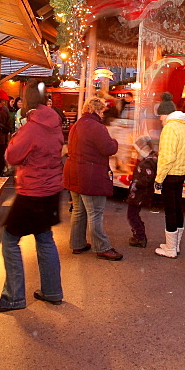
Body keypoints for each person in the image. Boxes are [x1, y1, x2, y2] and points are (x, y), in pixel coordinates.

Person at [0, 79, 65, 312]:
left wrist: (15, 138)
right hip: (51, 190)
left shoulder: (31, 127)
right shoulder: (54, 123)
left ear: (28, 99)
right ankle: (52, 291)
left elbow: (12, 156)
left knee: (9, 239)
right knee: (44, 237)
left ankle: (13, 297)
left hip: (33, 190)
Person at [64, 98, 123, 261]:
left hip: (74, 172)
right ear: (97, 110)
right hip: (90, 174)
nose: (103, 114)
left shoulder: (77, 125)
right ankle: (102, 247)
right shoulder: (96, 127)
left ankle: (77, 243)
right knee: (95, 212)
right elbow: (108, 148)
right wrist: (115, 141)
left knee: (78, 210)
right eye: (102, 111)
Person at [154, 101, 185, 258]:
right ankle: (175, 245)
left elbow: (167, 157)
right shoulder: (184, 126)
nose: (160, 119)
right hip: (181, 172)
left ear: (166, 114)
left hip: (170, 174)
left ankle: (170, 249)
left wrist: (159, 178)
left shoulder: (169, 128)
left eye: (161, 116)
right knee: (177, 208)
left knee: (170, 211)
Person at [127, 136, 157, 248]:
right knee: (134, 215)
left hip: (139, 194)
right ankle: (139, 233)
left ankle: (140, 237)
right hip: (139, 194)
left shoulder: (147, 163)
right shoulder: (148, 161)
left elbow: (146, 179)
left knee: (132, 215)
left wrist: (135, 183)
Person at [0, 90, 12, 176]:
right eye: (1, 101)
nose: (3, 103)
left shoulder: (3, 110)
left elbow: (9, 126)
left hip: (0, 140)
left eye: (3, 101)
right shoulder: (0, 109)